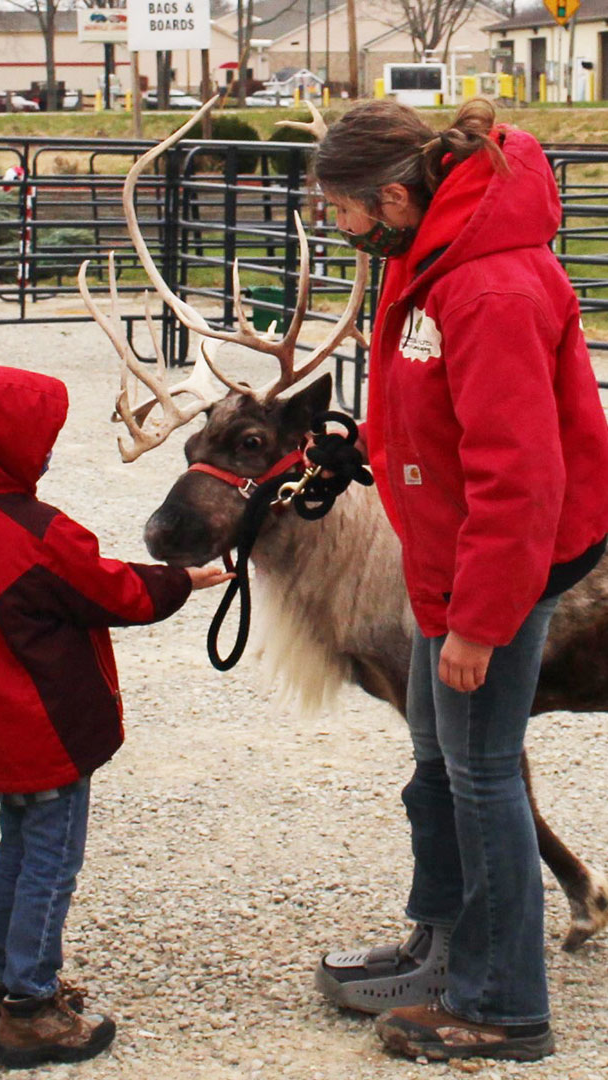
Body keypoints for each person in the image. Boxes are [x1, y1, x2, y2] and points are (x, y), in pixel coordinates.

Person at [310, 98, 608, 1062]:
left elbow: (519, 478)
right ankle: (441, 951)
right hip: (452, 566)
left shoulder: (487, 289)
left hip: (495, 575)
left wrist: (480, 622)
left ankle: (505, 1004)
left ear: (394, 195)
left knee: (483, 781)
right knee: (440, 770)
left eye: (345, 214)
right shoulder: (434, 254)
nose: (342, 230)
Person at [0, 364, 232, 1070]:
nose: (47, 451)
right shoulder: (37, 534)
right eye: (39, 438)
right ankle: (31, 1007)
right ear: (10, 444)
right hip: (45, 733)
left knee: (15, 853)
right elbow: (116, 594)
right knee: (50, 863)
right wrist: (184, 580)